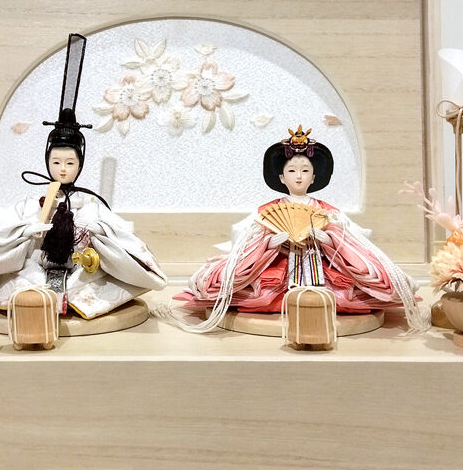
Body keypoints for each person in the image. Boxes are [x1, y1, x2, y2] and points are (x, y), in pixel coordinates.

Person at [0, 34, 167, 319]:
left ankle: (65, 301)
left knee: (89, 283)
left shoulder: (89, 204)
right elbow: (3, 235)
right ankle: (37, 304)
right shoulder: (33, 204)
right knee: (26, 283)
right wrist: (26, 231)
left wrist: (97, 230)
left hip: (79, 268)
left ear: (80, 164)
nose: (63, 169)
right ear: (47, 161)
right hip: (37, 266)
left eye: (70, 162)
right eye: (56, 162)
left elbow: (121, 238)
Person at [173, 125, 427, 331]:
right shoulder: (268, 211)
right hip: (279, 266)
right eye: (292, 170)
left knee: (346, 296)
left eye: (305, 170)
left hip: (321, 265)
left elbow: (355, 239)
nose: (298, 176)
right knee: (259, 295)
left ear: (313, 177)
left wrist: (329, 239)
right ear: (281, 177)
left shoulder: (327, 211)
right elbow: (243, 238)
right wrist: (268, 243)